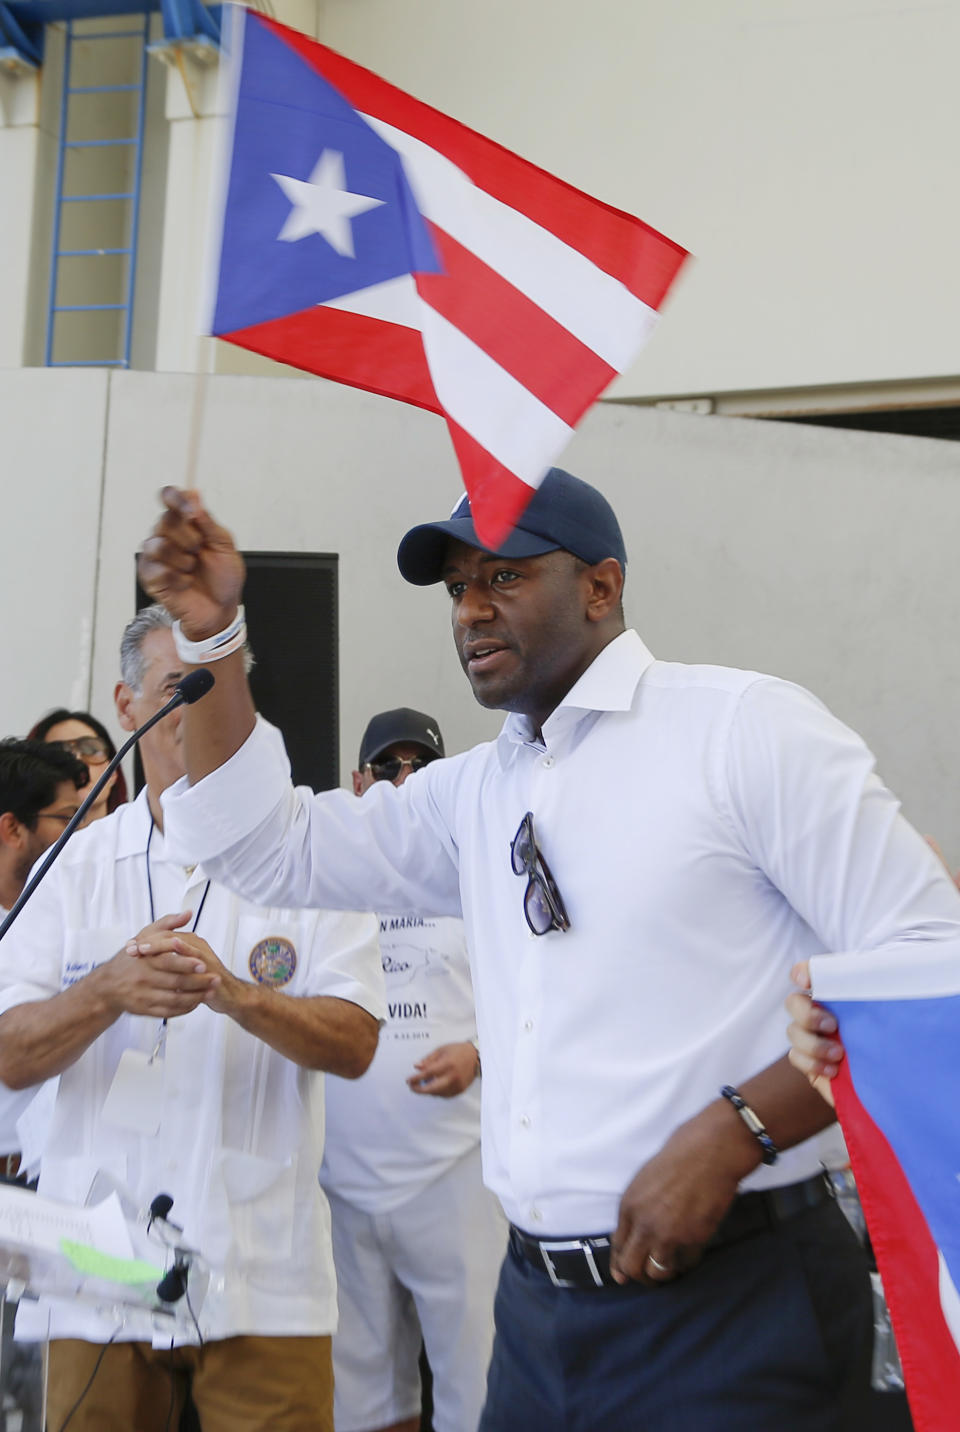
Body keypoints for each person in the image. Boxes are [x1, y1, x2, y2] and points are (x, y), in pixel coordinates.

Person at [137, 470, 960, 1431]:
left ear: (601, 588)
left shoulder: (743, 731)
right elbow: (263, 850)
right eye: (456, 588)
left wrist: (738, 1130)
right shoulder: (473, 790)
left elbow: (932, 962)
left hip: (737, 1301)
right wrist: (213, 641)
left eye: (505, 578)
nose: (471, 611)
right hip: (536, 1315)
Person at [0, 606, 385, 1432]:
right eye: (181, 689)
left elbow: (355, 1043)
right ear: (127, 704)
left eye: (219, 690)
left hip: (261, 1273)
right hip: (93, 1269)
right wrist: (105, 992)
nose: (202, 713)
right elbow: (8, 1053)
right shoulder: (71, 867)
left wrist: (238, 997)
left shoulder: (310, 850)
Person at [320, 706, 505, 1432]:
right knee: (362, 1398)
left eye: (419, 766)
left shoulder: (476, 875)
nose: (404, 778)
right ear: (358, 781)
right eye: (388, 766)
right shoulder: (326, 881)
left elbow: (540, 1006)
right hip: (342, 1183)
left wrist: (479, 1054)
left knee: (477, 1385)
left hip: (452, 1172)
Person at [29, 707, 128, 820]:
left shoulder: (140, 834)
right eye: (59, 753)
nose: (77, 760)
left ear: (113, 773)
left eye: (91, 750)